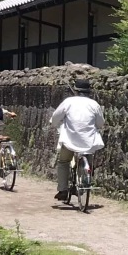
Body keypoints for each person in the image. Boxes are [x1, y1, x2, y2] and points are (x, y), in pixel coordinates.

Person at [48, 77, 104, 205]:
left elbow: (56, 117)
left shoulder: (69, 102)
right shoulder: (94, 104)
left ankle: (63, 189)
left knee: (63, 162)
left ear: (76, 90)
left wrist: (53, 123)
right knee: (87, 160)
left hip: (70, 140)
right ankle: (84, 183)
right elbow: (100, 123)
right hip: (88, 142)